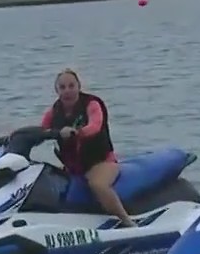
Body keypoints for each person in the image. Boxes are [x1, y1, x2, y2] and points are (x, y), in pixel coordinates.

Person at [40, 68, 137, 228]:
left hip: (101, 162)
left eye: (71, 86)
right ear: (56, 90)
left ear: (79, 86)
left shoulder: (92, 104)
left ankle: (127, 221)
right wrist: (17, 137)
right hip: (73, 167)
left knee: (97, 184)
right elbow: (41, 130)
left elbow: (95, 125)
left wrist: (77, 132)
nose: (67, 91)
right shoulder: (54, 111)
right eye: (62, 87)